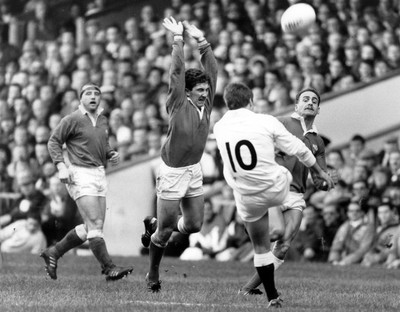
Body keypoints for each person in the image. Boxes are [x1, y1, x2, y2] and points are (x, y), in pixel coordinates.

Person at [213, 82, 334, 307]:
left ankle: (248, 288)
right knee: (276, 233)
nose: (310, 103)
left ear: (318, 110)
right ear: (296, 105)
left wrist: (325, 182)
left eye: (314, 101)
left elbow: (320, 177)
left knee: (284, 245)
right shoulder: (281, 123)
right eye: (305, 99)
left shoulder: (318, 141)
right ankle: (247, 244)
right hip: (274, 188)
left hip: (296, 193)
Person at [141, 17, 217, 292]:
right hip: (172, 170)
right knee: (164, 231)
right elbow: (176, 71)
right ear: (186, 92)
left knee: (194, 225)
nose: (204, 94)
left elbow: (212, 70)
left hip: (193, 168)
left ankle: (155, 223)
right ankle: (152, 275)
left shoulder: (205, 103)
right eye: (199, 91)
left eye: (206, 91)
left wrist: (203, 42)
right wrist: (178, 40)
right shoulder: (177, 103)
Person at [42, 83, 133, 281]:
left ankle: (54, 253)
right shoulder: (72, 118)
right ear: (80, 98)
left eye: (96, 93)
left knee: (91, 226)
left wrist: (110, 153)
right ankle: (109, 268)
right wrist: (60, 166)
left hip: (99, 173)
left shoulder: (102, 119)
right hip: (79, 173)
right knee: (95, 224)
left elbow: (102, 142)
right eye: (88, 93)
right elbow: (53, 141)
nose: (93, 96)